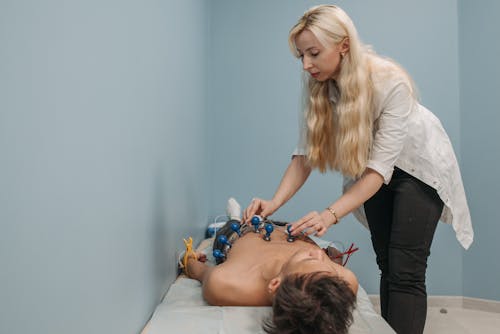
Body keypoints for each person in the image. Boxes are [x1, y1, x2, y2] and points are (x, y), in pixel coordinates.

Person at [242, 5, 473, 334]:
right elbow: (305, 156)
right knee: (386, 262)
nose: (306, 64)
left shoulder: (388, 81)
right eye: (301, 56)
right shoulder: (320, 88)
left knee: (406, 269)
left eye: (313, 53)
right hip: (372, 172)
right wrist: (273, 203)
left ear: (343, 46)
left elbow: (379, 170)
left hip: (419, 167)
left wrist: (328, 215)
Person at [180, 221, 358, 334]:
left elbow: (196, 269)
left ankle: (230, 218)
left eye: (309, 258)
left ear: (275, 284)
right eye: (326, 262)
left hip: (244, 230)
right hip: (291, 229)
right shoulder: (344, 282)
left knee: (232, 223)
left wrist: (190, 259)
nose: (318, 253)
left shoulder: (224, 282)